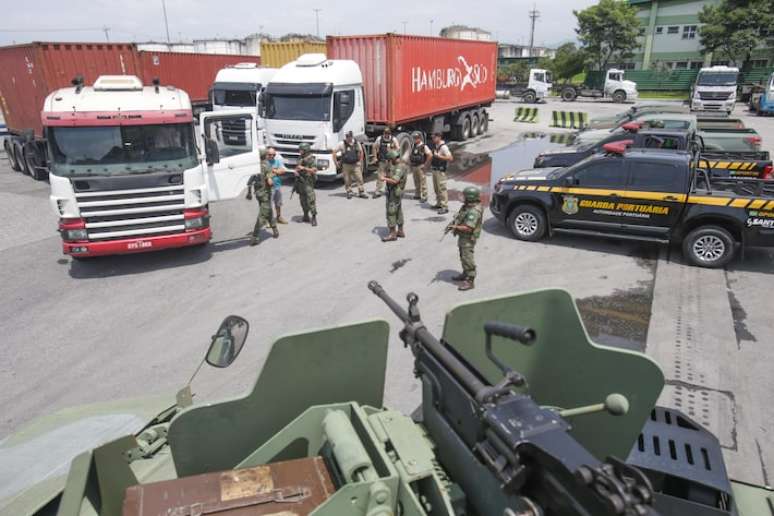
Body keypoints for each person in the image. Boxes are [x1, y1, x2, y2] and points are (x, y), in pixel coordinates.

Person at [447, 186, 483, 291]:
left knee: (468, 258)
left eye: (464, 196)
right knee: (463, 256)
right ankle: (465, 274)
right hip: (463, 238)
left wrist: (455, 227)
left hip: (468, 238)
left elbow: (468, 228)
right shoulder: (467, 206)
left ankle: (470, 281)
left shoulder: (473, 211)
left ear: (470, 197)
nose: (462, 197)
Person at [246, 149, 279, 246]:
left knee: (266, 211)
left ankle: (272, 229)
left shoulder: (257, 166)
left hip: (259, 194)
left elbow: (250, 181)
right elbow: (269, 180)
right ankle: (256, 236)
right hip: (264, 194)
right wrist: (271, 182)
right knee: (264, 214)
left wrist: (249, 193)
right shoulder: (266, 165)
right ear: (265, 155)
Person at [381, 150, 407, 242]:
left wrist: (384, 178)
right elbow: (389, 171)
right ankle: (400, 231)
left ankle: (392, 234)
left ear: (392, 159)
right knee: (398, 211)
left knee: (391, 212)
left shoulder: (399, 167)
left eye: (390, 160)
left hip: (394, 192)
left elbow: (395, 181)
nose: (389, 161)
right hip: (395, 192)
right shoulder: (395, 166)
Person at [335, 131, 367, 199]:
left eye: (349, 136)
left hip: (355, 164)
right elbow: (334, 152)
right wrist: (336, 163)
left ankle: (361, 192)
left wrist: (360, 161)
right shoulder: (342, 144)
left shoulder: (356, 143)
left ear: (352, 136)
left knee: (359, 178)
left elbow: (361, 152)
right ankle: (349, 191)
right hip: (346, 165)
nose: (348, 138)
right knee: (347, 180)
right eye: (347, 137)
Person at [371, 127, 399, 198]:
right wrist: (375, 157)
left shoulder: (393, 139)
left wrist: (393, 152)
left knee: (391, 176)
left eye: (388, 133)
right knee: (380, 176)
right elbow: (374, 147)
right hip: (382, 161)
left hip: (390, 161)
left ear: (390, 133)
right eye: (385, 133)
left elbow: (398, 148)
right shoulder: (379, 139)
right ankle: (378, 191)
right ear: (383, 133)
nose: (387, 135)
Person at [295, 142, 318, 226]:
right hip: (300, 181)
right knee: (302, 200)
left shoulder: (311, 159)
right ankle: (305, 215)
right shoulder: (300, 158)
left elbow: (314, 170)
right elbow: (297, 167)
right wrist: (296, 171)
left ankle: (314, 217)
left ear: (306, 150)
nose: (300, 151)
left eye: (301, 150)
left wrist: (304, 168)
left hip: (308, 182)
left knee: (311, 200)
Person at [430, 132, 453, 214]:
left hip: (440, 171)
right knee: (436, 188)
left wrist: (439, 156)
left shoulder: (444, 147)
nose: (433, 139)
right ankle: (439, 203)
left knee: (442, 189)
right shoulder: (436, 146)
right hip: (435, 170)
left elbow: (450, 158)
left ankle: (445, 207)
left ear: (439, 137)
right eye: (432, 138)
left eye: (434, 138)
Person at [266, 147, 288, 224]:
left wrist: (274, 171)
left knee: (278, 203)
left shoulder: (277, 161)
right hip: (268, 188)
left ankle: (279, 217)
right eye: (270, 155)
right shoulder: (264, 163)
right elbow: (264, 174)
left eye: (273, 155)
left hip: (277, 186)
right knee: (269, 205)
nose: (272, 156)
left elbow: (283, 170)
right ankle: (269, 221)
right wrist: (276, 172)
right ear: (266, 154)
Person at [408, 131, 431, 202]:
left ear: (419, 139)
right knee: (416, 181)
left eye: (416, 138)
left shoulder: (424, 146)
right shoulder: (413, 145)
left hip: (420, 166)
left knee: (422, 182)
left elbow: (430, 155)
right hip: (414, 166)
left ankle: (424, 196)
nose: (415, 139)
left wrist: (426, 165)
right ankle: (417, 194)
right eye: (414, 138)